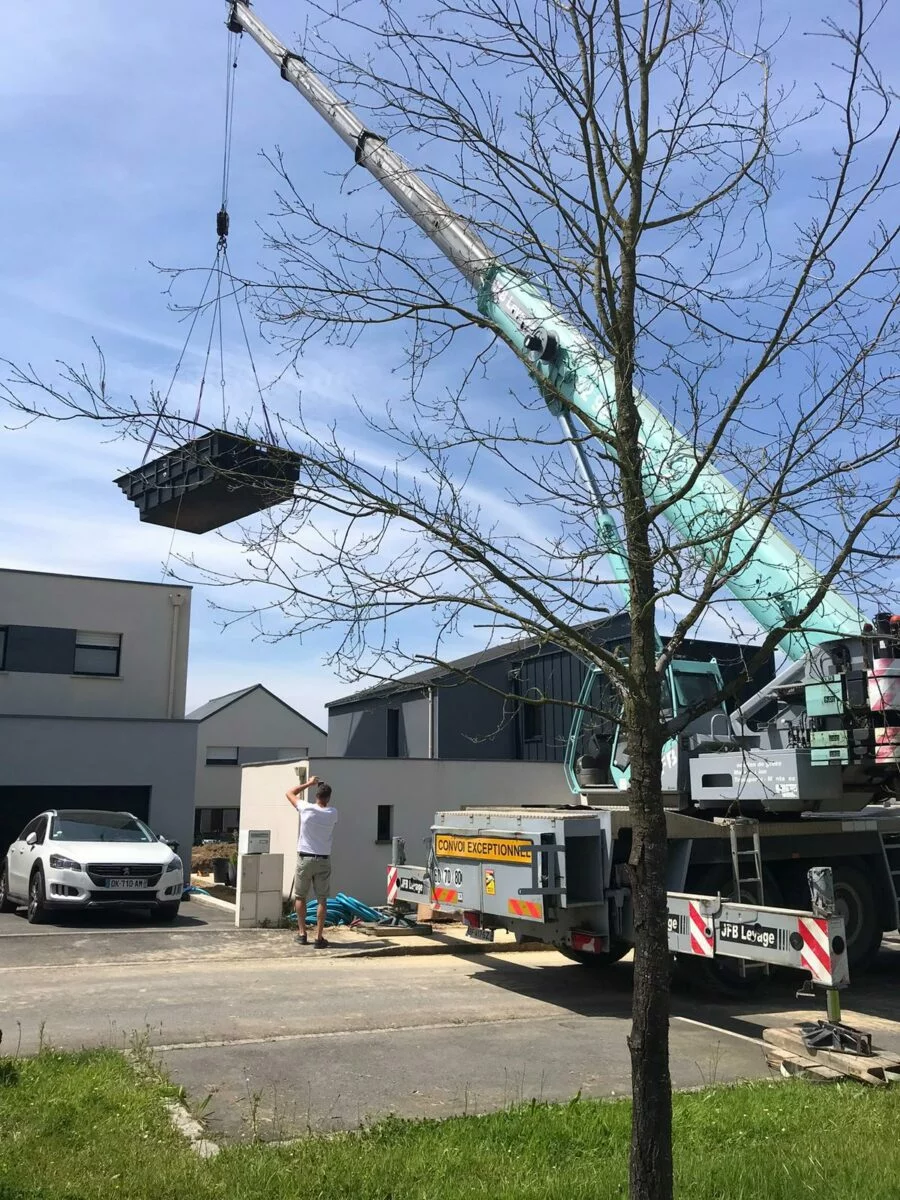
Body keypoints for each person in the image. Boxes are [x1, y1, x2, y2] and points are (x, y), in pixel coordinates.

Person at [285, 775, 338, 948]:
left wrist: (309, 783)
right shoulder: (332, 813)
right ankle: (319, 937)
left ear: (316, 796)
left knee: (300, 896)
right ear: (328, 798)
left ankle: (302, 933)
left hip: (305, 858)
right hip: (323, 860)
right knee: (322, 899)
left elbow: (290, 793)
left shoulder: (306, 808)